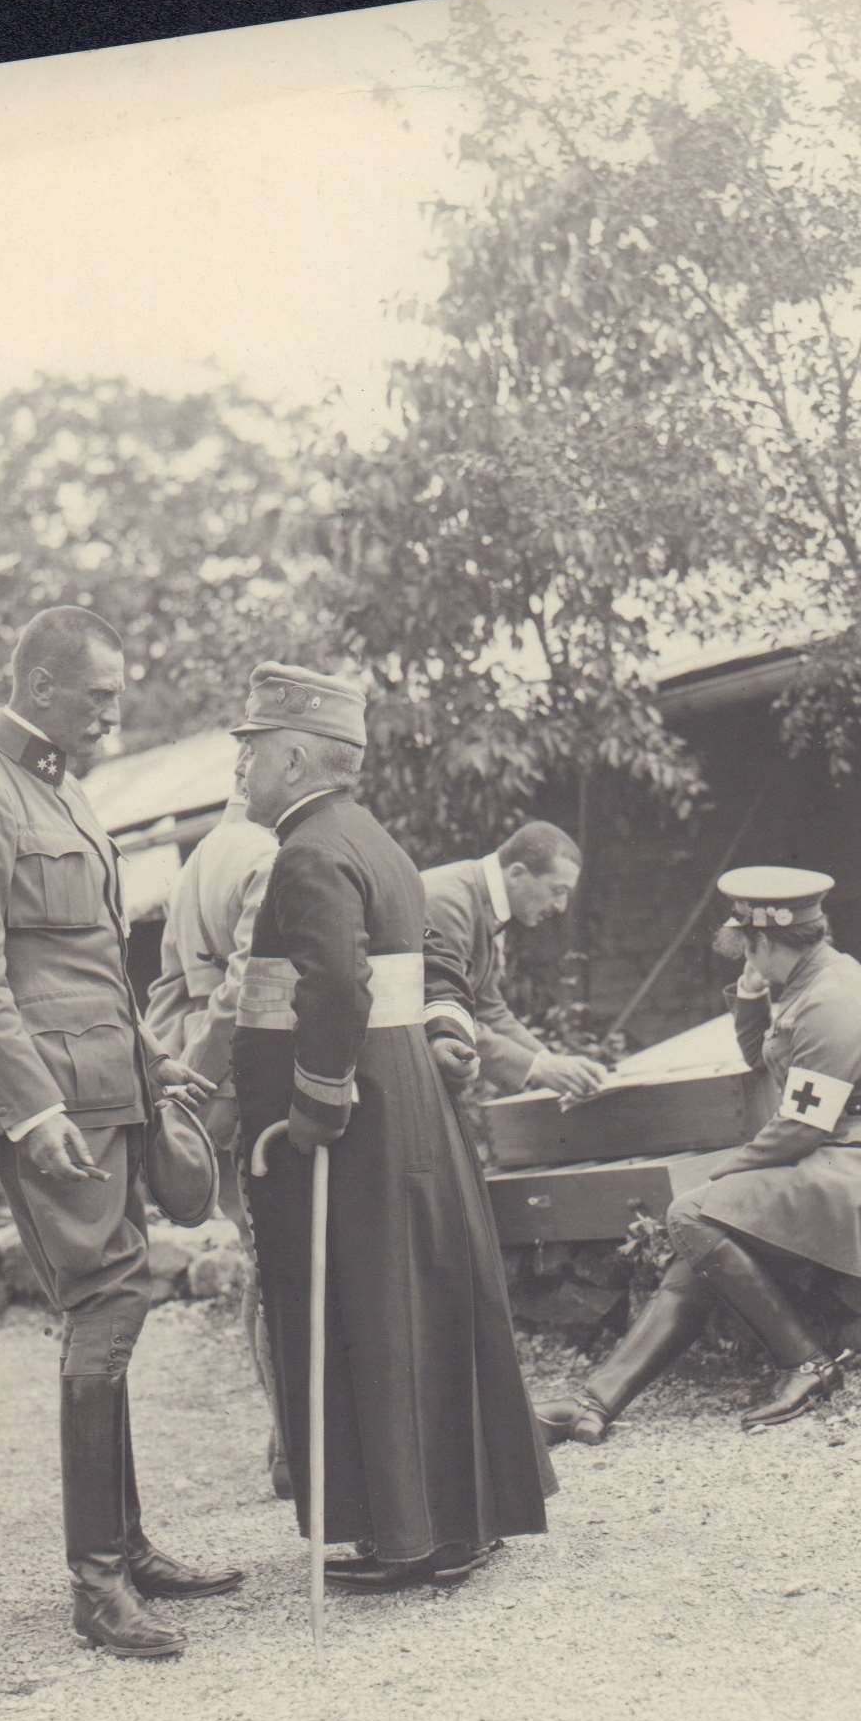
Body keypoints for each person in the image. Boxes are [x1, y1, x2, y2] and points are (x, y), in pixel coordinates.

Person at [0, 605, 239, 1659]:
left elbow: (97, 964)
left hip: (113, 1083)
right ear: (45, 684)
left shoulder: (66, 788)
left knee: (123, 1294)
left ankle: (129, 1545)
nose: (116, 709)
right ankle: (97, 1584)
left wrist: (157, 1064)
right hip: (52, 1100)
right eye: (100, 693)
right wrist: (35, 1107)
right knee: (109, 1299)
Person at [227, 663, 551, 1591]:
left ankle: (405, 1537)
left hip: (354, 1121)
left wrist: (315, 1100)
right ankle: (449, 1524)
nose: (242, 771)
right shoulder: (372, 839)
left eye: (251, 752)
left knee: (370, 1313)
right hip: (404, 1108)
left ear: (292, 757)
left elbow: (335, 986)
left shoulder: (309, 852)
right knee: (417, 1305)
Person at [535, 867, 861, 1443]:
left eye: (747, 950)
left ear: (765, 940)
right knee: (705, 1238)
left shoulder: (831, 1001)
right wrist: (751, 993)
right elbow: (763, 1059)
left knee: (693, 1214)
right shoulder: (807, 980)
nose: (742, 959)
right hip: (849, 1154)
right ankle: (594, 1404)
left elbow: (800, 1127)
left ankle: (805, 1362)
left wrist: (723, 1170)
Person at [141, 741, 291, 1498]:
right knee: (282, 1267)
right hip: (252, 1080)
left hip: (206, 1089)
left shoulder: (199, 858)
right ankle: (293, 1448)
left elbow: (167, 987)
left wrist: (171, 1085)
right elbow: (244, 987)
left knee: (261, 1260)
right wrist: (203, 1074)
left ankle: (287, 1443)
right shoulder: (268, 852)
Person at [419, 821, 611, 1107]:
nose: (561, 906)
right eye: (557, 891)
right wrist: (537, 1068)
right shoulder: (449, 902)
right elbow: (443, 1015)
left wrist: (552, 1062)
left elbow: (488, 1007)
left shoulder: (485, 902)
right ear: (517, 873)